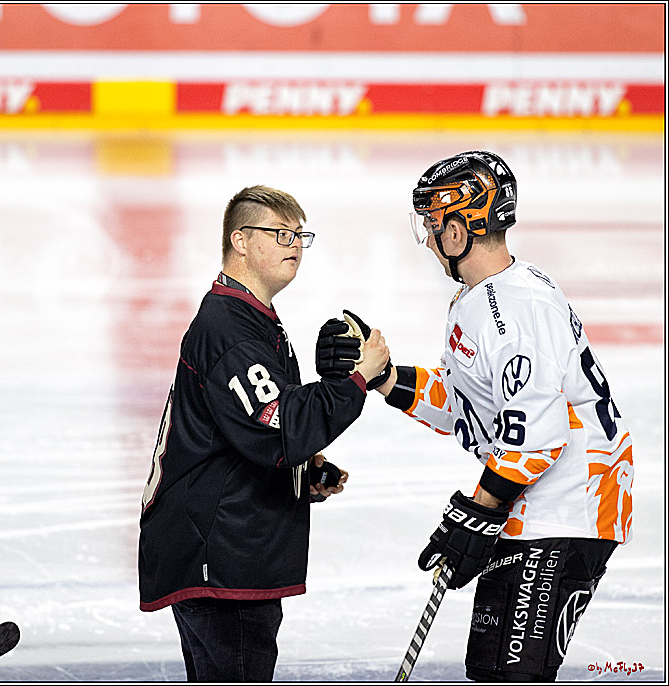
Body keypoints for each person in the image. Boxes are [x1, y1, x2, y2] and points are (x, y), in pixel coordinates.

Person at [355, 150, 633, 681]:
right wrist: (387, 378)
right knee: (491, 669)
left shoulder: (517, 310)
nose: (430, 241)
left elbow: (537, 438)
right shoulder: (486, 298)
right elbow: (473, 407)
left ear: (457, 232)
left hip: (569, 506)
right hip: (534, 502)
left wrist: (475, 513)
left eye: (433, 226)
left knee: (513, 675)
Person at [138, 185, 390, 681]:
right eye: (280, 233)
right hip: (219, 557)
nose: (294, 244)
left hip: (226, 550)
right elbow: (280, 429)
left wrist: (304, 471)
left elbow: (247, 430)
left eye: (300, 234)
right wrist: (360, 379)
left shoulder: (250, 320)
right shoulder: (229, 328)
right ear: (241, 241)